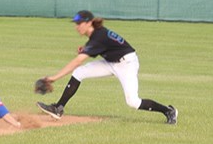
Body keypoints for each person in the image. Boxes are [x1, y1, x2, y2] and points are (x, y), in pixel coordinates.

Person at [36, 10, 178, 124]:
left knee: (133, 102)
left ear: (88, 23)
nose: (76, 26)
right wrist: (85, 49)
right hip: (111, 62)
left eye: (79, 23)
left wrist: (53, 78)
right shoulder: (97, 34)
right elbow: (101, 47)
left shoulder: (98, 36)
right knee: (80, 72)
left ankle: (168, 111)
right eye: (76, 23)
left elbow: (78, 60)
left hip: (126, 64)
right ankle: (58, 108)